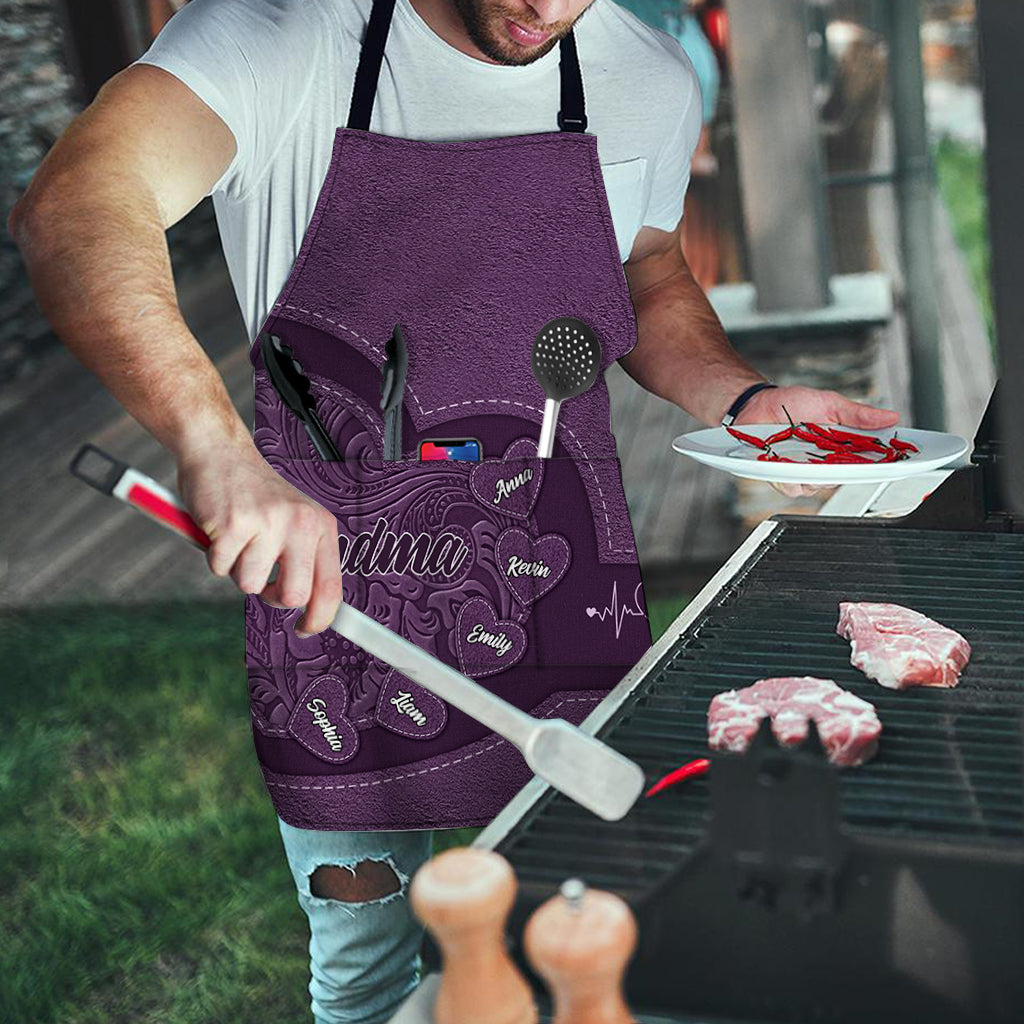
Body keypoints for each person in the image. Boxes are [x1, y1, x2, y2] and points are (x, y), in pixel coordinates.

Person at [8, 0, 899, 1020]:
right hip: (338, 604)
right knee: (368, 968)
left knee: (597, 932)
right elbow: (76, 205)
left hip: (565, 583)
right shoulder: (279, 35)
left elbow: (645, 274)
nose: (547, 9)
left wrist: (743, 399)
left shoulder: (646, 76)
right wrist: (216, 448)